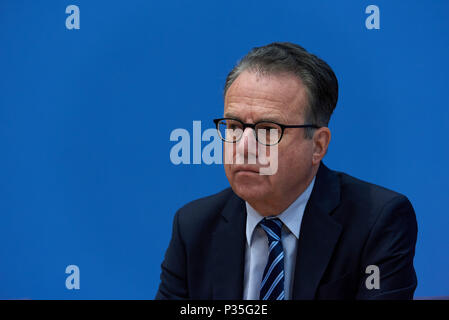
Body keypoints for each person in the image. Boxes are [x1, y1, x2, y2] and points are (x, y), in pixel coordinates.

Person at [155, 42, 418, 300]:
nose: (244, 147)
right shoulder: (194, 227)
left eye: (267, 130)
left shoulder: (377, 222)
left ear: (318, 145)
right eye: (234, 126)